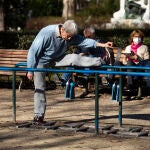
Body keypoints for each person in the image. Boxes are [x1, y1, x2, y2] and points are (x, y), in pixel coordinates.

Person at [27, 20, 113, 123]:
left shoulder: (70, 35)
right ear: (62, 29)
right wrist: (30, 70)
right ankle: (38, 116)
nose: (69, 39)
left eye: (71, 37)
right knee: (40, 87)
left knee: (74, 58)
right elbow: (32, 51)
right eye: (68, 36)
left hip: (57, 58)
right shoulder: (46, 33)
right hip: (41, 61)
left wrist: (103, 45)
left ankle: (101, 61)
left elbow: (85, 41)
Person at [61, 26, 111, 98]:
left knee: (89, 57)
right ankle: (64, 80)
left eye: (88, 36)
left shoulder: (100, 42)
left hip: (95, 65)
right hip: (83, 65)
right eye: (85, 36)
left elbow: (103, 56)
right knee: (73, 59)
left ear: (93, 35)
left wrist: (90, 55)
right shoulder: (83, 42)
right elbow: (77, 52)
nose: (87, 38)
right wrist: (79, 55)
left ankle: (84, 78)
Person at [123, 29, 150, 95]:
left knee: (148, 64)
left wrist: (138, 58)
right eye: (135, 37)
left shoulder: (144, 47)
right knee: (129, 62)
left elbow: (147, 60)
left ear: (141, 38)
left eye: (139, 37)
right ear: (132, 38)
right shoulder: (128, 47)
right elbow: (124, 61)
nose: (137, 38)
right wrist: (128, 59)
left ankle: (148, 87)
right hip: (130, 67)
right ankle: (129, 85)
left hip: (140, 66)